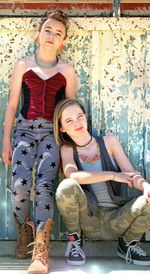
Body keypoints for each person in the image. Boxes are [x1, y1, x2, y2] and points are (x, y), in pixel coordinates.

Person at [2, 10, 76, 274]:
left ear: (62, 43)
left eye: (58, 33)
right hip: (23, 131)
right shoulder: (23, 66)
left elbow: (68, 111)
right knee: (20, 184)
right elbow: (12, 106)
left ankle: (41, 251)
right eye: (48, 30)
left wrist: (66, 148)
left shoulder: (66, 70)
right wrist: (6, 141)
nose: (51, 35)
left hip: (50, 134)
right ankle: (25, 229)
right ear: (38, 36)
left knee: (44, 184)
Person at [53, 98, 150, 267]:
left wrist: (146, 186)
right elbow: (73, 176)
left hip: (118, 218)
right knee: (66, 186)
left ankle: (128, 244)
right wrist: (112, 175)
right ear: (62, 128)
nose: (77, 122)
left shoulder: (109, 142)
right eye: (69, 120)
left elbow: (131, 175)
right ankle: (75, 242)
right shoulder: (67, 149)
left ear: (85, 116)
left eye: (79, 116)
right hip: (89, 219)